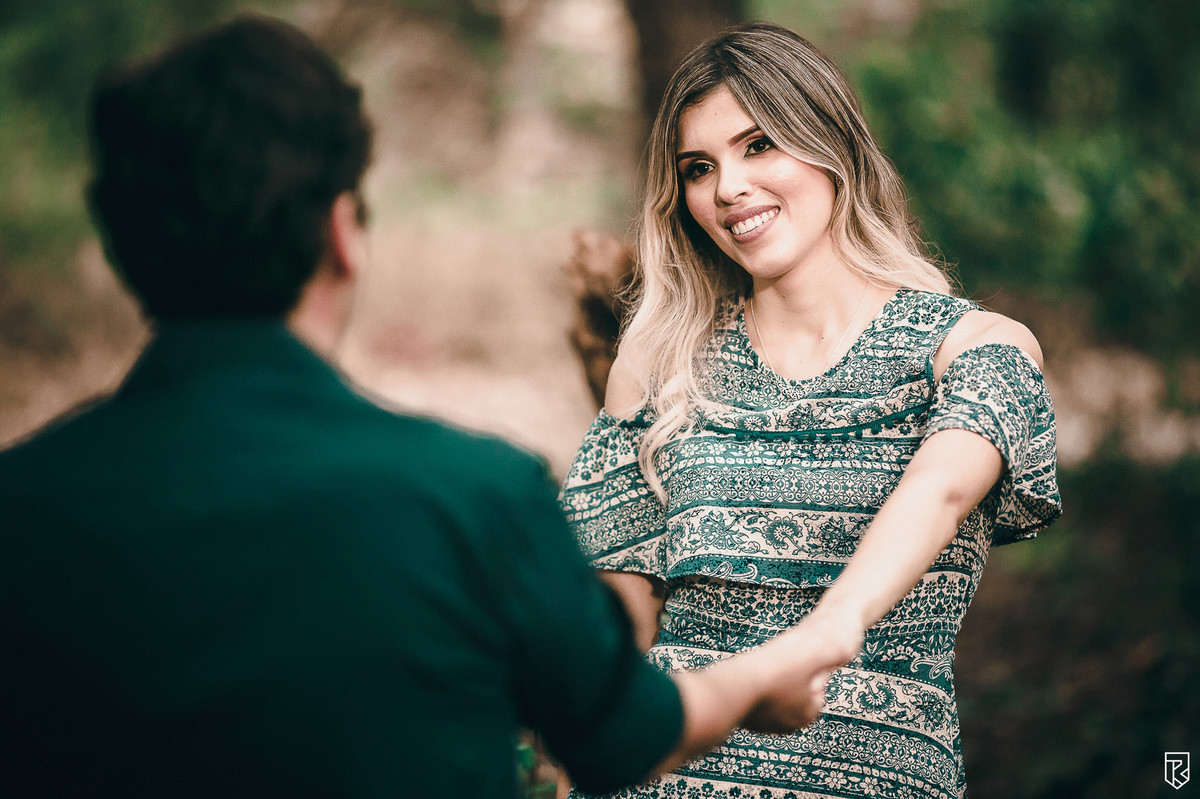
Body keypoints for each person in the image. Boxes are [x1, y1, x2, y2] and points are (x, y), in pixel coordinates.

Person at [0, 16, 844, 799]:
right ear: (343, 233)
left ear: (122, 250)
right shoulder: (470, 497)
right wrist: (752, 684)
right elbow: (620, 733)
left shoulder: (23, 506)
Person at [559, 21, 1062, 799]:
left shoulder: (974, 347)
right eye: (699, 168)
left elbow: (941, 490)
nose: (728, 188)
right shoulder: (660, 366)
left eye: (758, 145)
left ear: (831, 145)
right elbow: (616, 634)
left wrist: (829, 629)